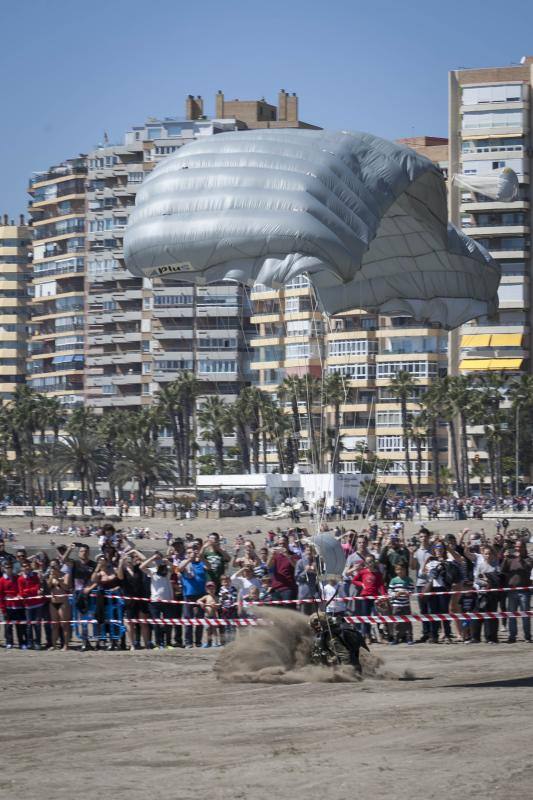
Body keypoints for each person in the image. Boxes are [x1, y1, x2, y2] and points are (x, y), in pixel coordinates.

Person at [140, 552, 175, 649]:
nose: (158, 560)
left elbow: (176, 569)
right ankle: (159, 643)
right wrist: (152, 558)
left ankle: (168, 643)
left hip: (167, 600)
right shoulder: (152, 570)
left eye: (159, 558)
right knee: (156, 624)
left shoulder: (167, 570)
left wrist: (167, 562)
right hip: (155, 600)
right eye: (156, 559)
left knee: (168, 623)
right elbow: (142, 567)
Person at [178, 543, 207, 648]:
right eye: (189, 552)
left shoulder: (200, 563)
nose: (192, 554)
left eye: (193, 552)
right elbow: (179, 569)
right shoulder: (185, 563)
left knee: (200, 618)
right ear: (186, 554)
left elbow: (209, 567)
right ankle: (188, 642)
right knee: (188, 618)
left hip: (201, 594)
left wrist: (201, 557)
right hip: (189, 594)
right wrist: (189, 559)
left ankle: (198, 641)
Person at [501, 540, 531, 643]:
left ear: (524, 548)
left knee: (525, 615)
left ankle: (527, 636)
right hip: (512, 591)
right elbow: (503, 570)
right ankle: (512, 636)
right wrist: (505, 558)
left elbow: (527, 568)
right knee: (512, 615)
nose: (518, 548)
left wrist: (519, 558)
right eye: (516, 547)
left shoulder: (528, 559)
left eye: (520, 547)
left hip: (524, 591)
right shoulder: (510, 559)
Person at [351, 555, 387, 642]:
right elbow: (354, 580)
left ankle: (380, 636)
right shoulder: (362, 572)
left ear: (374, 562)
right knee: (366, 617)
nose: (369, 563)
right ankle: (367, 636)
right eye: (367, 562)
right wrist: (361, 584)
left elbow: (381, 585)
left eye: (371, 561)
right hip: (365, 597)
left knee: (377, 616)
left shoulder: (378, 574)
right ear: (365, 563)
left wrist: (383, 595)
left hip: (375, 597)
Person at [18, 559, 45, 650]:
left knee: (37, 625)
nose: (26, 567)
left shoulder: (35, 576)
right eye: (24, 566)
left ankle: (38, 642)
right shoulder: (20, 579)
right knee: (29, 625)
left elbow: (38, 587)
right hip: (28, 605)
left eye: (28, 565)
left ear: (30, 566)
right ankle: (30, 642)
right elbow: (22, 593)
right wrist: (32, 591)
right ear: (22, 568)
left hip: (38, 604)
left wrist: (28, 591)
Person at [0, 561, 26, 649]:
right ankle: (9, 642)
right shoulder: (2, 580)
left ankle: (21, 643)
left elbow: (20, 589)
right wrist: (3, 609)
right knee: (8, 627)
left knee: (20, 626)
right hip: (8, 607)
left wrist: (19, 595)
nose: (9, 569)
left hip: (18, 606)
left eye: (10, 567)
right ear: (4, 568)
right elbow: (1, 596)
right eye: (7, 567)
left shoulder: (17, 578)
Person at [47, 559, 72, 650]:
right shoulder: (50, 576)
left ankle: (66, 645)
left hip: (63, 602)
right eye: (51, 566)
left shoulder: (65, 575)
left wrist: (58, 578)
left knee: (64, 624)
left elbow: (66, 587)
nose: (53, 567)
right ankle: (54, 645)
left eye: (55, 566)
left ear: (59, 566)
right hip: (53, 602)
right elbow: (48, 587)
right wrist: (51, 577)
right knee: (54, 625)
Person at [387, 563, 415, 645]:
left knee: (408, 621)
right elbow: (389, 591)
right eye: (398, 569)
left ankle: (409, 638)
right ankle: (396, 638)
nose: (400, 571)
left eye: (402, 569)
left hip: (406, 604)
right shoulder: (393, 580)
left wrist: (407, 593)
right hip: (396, 605)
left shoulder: (409, 580)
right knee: (396, 622)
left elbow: (412, 590)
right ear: (396, 571)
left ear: (405, 570)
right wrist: (395, 594)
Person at [266, 536, 298, 601]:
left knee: (289, 610)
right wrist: (271, 556)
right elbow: (268, 566)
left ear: (288, 543)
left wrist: (287, 555)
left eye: (284, 543)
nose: (282, 545)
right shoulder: (276, 556)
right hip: (276, 588)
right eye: (280, 544)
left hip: (288, 588)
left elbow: (296, 566)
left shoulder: (294, 555)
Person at [294, 544, 319, 615]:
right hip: (304, 594)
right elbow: (297, 578)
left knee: (315, 618)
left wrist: (316, 571)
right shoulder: (300, 562)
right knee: (304, 617)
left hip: (315, 595)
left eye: (311, 551)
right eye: (308, 550)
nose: (309, 552)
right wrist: (305, 571)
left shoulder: (317, 562)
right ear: (305, 551)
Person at [197, 581, 221, 648]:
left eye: (212, 588)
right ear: (207, 590)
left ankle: (215, 642)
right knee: (207, 630)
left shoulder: (216, 597)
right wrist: (201, 603)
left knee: (214, 630)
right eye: (209, 589)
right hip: (207, 616)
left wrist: (215, 606)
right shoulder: (206, 596)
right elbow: (198, 600)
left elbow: (219, 606)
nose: (211, 590)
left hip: (214, 616)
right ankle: (208, 642)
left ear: (215, 589)